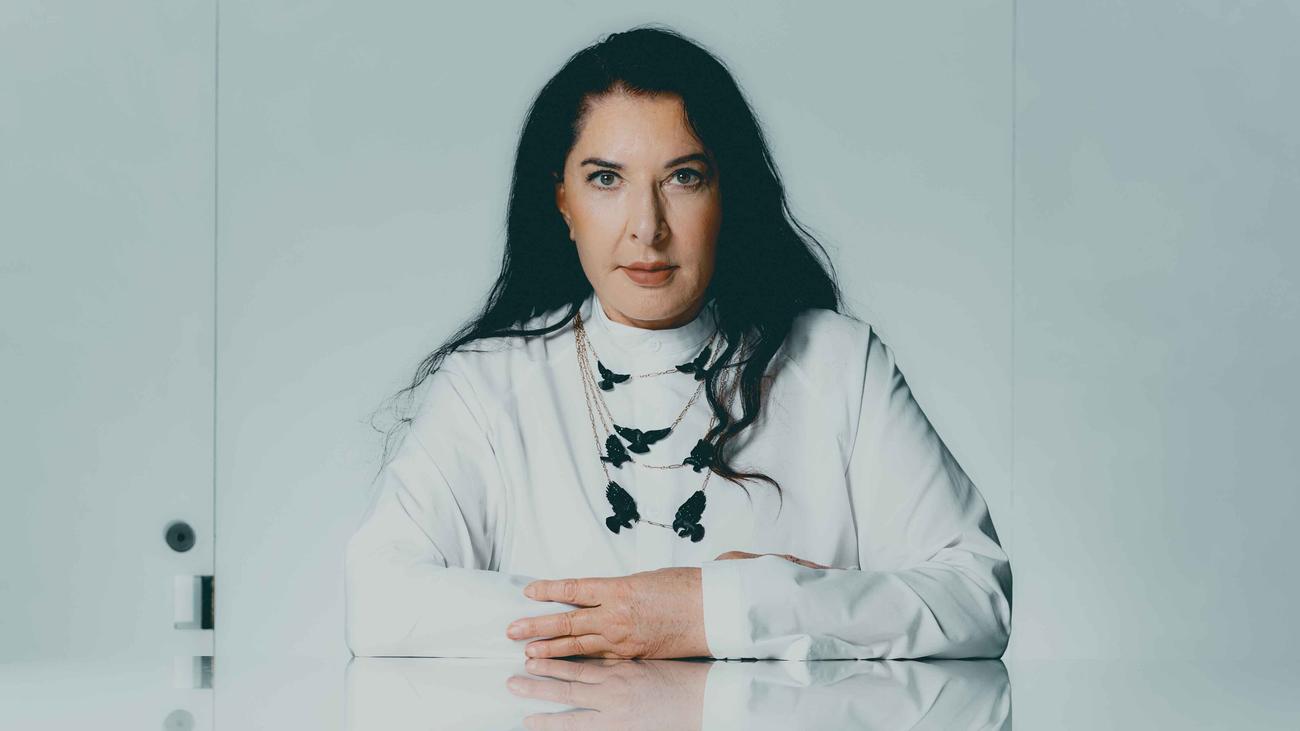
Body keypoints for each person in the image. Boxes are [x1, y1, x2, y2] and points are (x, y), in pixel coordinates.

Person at [345, 25, 1011, 661]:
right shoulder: (487, 382)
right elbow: (379, 601)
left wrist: (715, 609)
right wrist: (633, 618)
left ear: (727, 193)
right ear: (563, 202)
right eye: (606, 179)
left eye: (683, 177)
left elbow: (975, 596)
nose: (648, 226)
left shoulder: (840, 363)